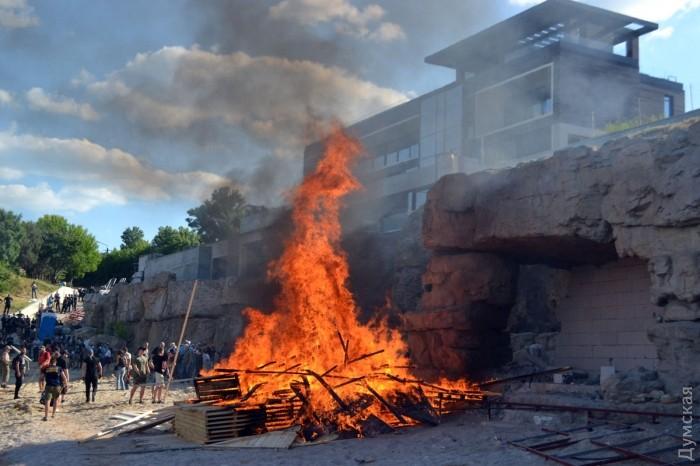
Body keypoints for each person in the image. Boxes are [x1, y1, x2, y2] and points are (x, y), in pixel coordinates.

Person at [42, 355, 67, 421]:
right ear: (55, 362)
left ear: (50, 362)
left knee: (47, 401)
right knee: (55, 400)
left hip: (48, 386)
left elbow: (42, 377)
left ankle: (46, 416)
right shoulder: (59, 368)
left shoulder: (46, 369)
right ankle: (53, 414)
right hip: (57, 386)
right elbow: (64, 377)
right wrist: (65, 384)